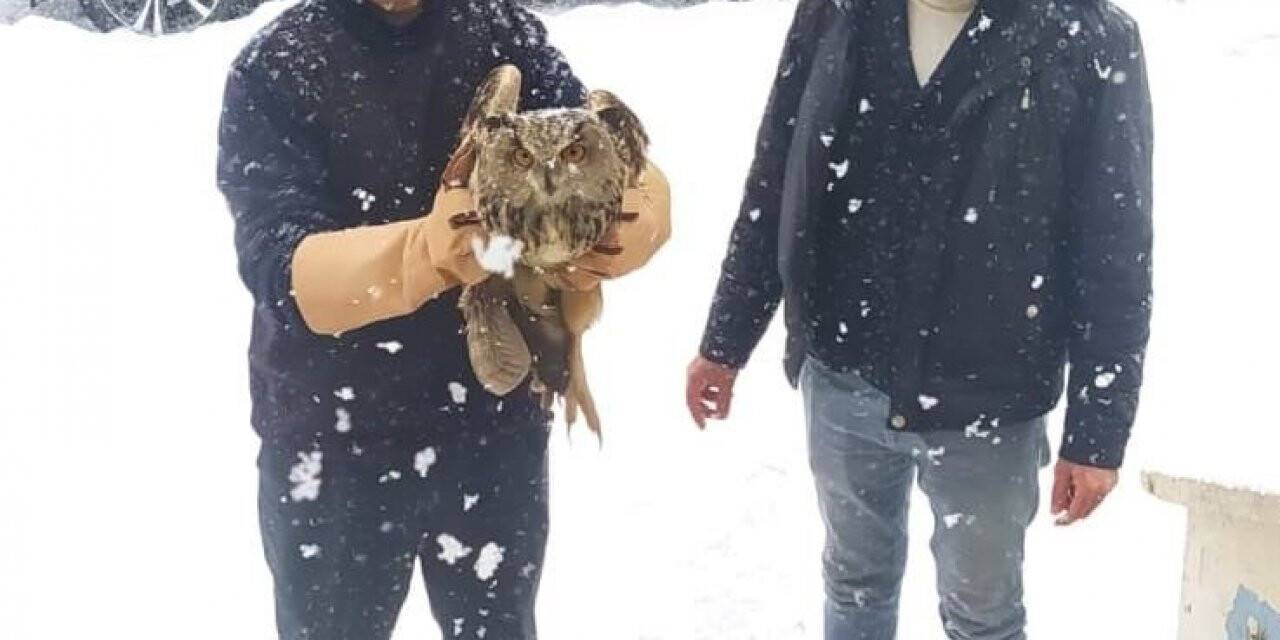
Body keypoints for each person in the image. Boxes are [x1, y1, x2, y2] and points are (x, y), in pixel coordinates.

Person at [686, 0, 1152, 638]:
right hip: (843, 373)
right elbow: (776, 175)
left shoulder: (1089, 36)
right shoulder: (838, 12)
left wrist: (1098, 433)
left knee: (983, 618)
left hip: (990, 404)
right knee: (853, 587)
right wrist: (726, 339)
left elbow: (1114, 247)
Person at [216, 0, 670, 637]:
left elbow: (601, 144)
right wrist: (422, 254)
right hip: (335, 440)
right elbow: (280, 268)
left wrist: (636, 213)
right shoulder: (280, 64)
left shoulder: (503, 33)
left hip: (490, 425)